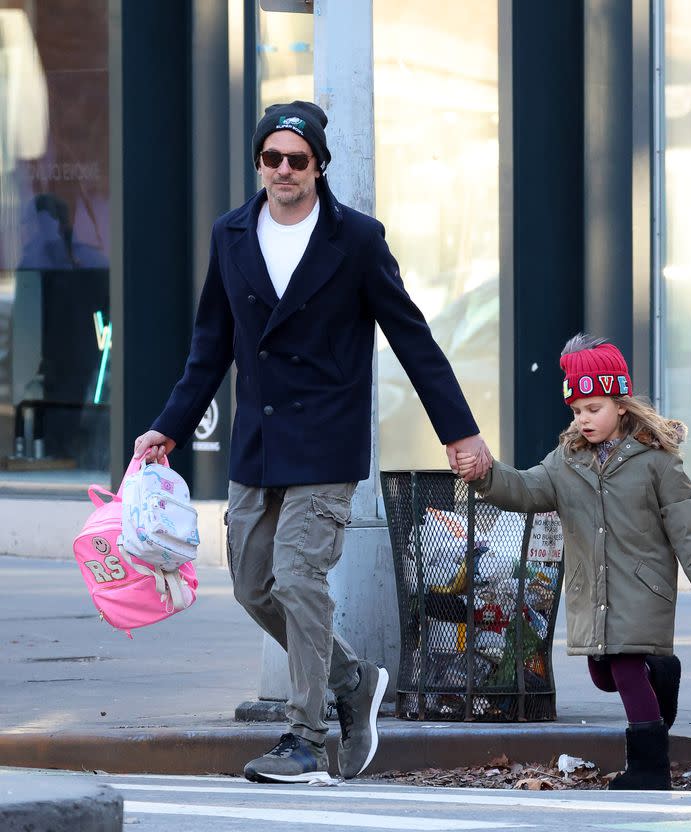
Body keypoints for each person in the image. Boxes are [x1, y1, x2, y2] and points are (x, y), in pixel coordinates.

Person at [133, 100, 491, 785]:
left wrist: (460, 431)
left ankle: (304, 736)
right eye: (273, 158)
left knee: (298, 576)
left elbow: (411, 337)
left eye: (298, 159)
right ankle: (354, 681)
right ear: (259, 163)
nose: (285, 170)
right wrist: (168, 426)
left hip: (326, 438)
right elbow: (210, 346)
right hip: (258, 440)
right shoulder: (231, 233)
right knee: (252, 585)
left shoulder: (354, 239)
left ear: (319, 166)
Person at [456, 333, 691, 791]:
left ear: (621, 404)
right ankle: (660, 672)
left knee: (625, 669)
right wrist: (486, 474)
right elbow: (526, 488)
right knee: (604, 674)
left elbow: (687, 527)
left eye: (594, 408)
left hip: (642, 586)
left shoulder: (656, 463)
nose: (583, 419)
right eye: (576, 411)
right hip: (593, 589)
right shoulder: (566, 462)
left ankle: (649, 769)